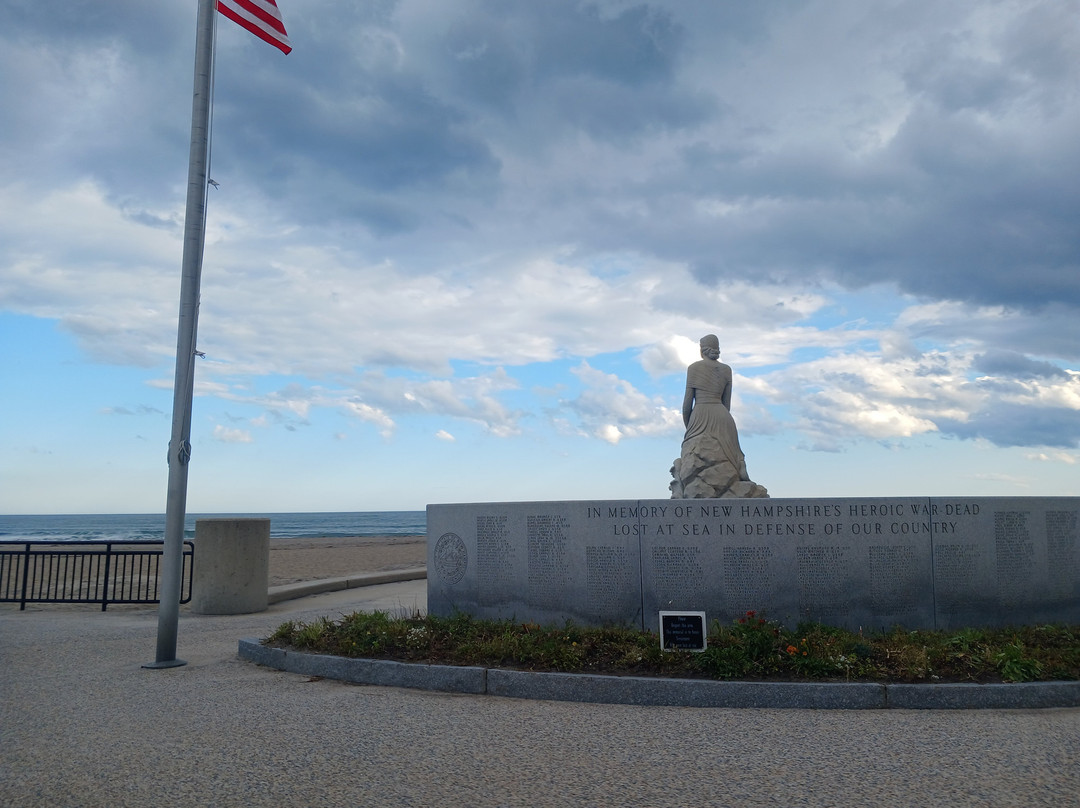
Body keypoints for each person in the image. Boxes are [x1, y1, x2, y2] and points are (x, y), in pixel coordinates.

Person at [682, 334, 749, 480]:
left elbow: (687, 403)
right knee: (731, 450)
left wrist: (689, 427)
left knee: (693, 451)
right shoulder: (726, 370)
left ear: (702, 349)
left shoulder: (694, 368)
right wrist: (722, 418)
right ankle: (739, 464)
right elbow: (727, 403)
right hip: (722, 414)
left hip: (700, 412)